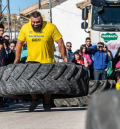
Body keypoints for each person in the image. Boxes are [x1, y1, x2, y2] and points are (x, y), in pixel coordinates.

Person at [14, 11, 67, 112]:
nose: (35, 24)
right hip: (31, 61)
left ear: (41, 20)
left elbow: (60, 42)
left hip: (48, 61)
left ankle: (46, 103)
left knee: (48, 84)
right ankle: (35, 99)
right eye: (33, 22)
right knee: (29, 82)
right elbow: (19, 43)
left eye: (37, 22)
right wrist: (17, 59)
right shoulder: (25, 27)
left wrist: (64, 58)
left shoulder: (51, 27)